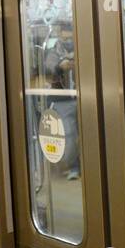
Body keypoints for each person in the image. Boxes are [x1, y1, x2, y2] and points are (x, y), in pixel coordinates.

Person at [41, 20, 80, 181]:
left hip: (82, 96)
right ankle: (72, 166)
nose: (68, 37)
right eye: (65, 33)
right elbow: (48, 69)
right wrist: (59, 66)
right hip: (62, 99)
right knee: (69, 133)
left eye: (70, 32)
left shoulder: (82, 47)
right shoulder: (53, 51)